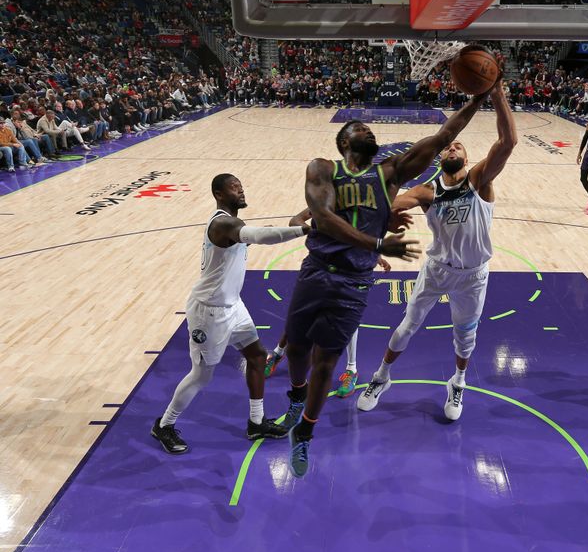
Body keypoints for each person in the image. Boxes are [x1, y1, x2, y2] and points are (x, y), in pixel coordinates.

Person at [275, 83, 498, 478]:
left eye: (372, 132)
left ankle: (304, 433)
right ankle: (296, 396)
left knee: (326, 361)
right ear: (344, 142)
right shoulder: (322, 168)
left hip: (354, 280)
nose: (370, 133)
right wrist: (378, 238)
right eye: (362, 130)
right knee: (296, 348)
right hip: (317, 270)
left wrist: (479, 98)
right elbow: (326, 217)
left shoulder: (389, 173)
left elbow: (444, 136)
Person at [356, 79, 517, 422]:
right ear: (441, 156)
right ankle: (381, 377)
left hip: (473, 276)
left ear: (468, 158)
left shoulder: (479, 181)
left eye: (458, 148)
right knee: (406, 326)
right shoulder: (426, 191)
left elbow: (508, 142)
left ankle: (457, 382)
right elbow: (387, 204)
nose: (452, 150)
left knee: (465, 339)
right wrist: (384, 215)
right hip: (437, 269)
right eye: (448, 148)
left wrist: (498, 95)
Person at [150, 173, 309, 454]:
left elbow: (259, 232)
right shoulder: (223, 223)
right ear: (219, 194)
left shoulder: (234, 224)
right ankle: (164, 425)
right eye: (235, 187)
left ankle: (256, 422)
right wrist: (303, 230)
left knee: (258, 356)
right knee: (201, 376)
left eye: (242, 186)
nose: (241, 190)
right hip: (208, 313)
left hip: (233, 306)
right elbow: (259, 236)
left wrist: (307, 213)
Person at [264, 208, 394, 399]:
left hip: (351, 275)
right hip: (320, 269)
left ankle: (351, 370)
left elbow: (364, 238)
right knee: (302, 316)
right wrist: (316, 235)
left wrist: (377, 256)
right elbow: (295, 219)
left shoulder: (364, 207)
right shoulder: (325, 202)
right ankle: (278, 352)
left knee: (347, 319)